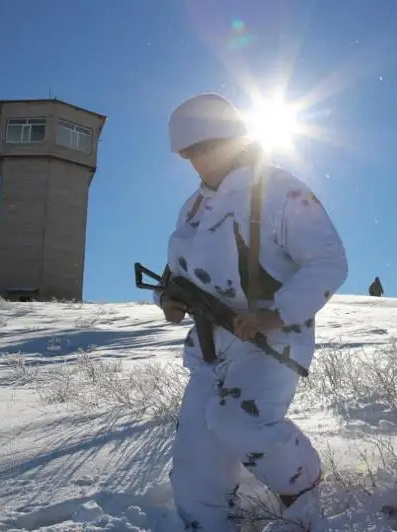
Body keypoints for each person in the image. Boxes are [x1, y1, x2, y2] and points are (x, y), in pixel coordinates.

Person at [160, 93, 348, 531]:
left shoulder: (280, 189)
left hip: (271, 338)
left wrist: (275, 314)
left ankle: (302, 491)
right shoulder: (192, 208)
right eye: (189, 154)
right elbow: (176, 271)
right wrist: (169, 300)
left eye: (202, 149)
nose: (197, 162)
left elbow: (328, 262)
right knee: (193, 469)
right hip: (210, 345)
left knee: (240, 423)